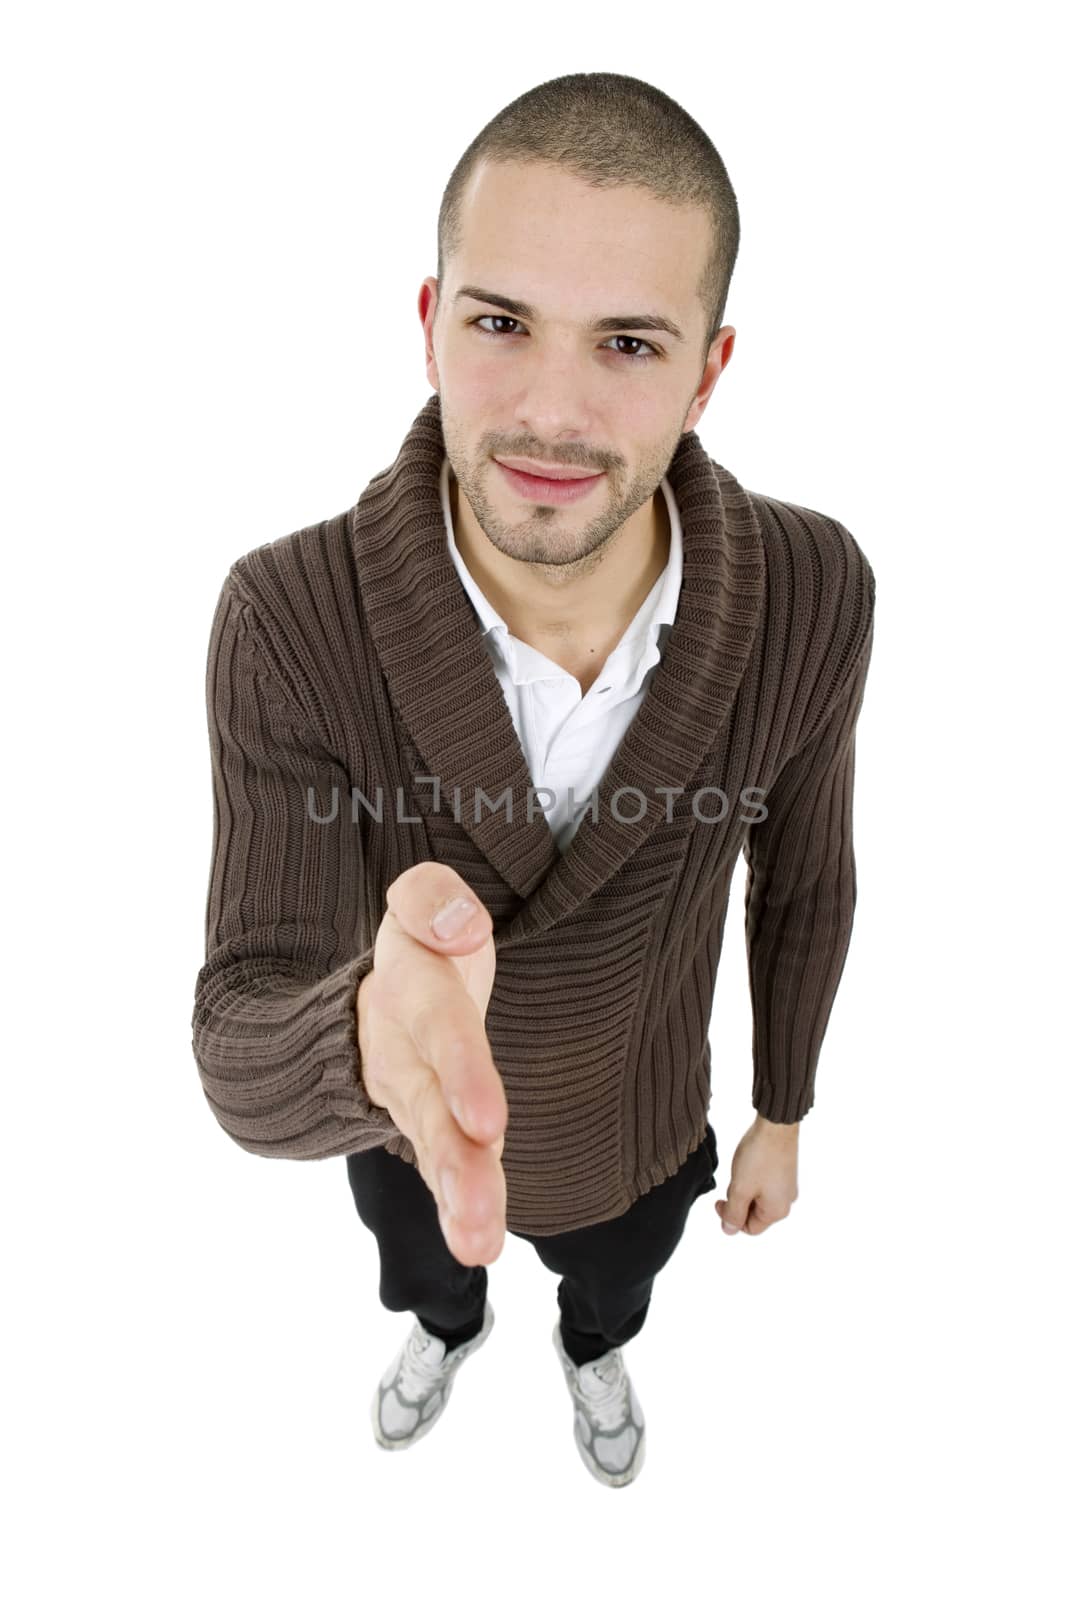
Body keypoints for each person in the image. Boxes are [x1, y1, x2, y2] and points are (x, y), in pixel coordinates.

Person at [191, 72, 876, 1490]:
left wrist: (786, 1105)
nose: (551, 412)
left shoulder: (815, 587)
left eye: (629, 342)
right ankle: (447, 1335)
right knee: (432, 1280)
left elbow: (803, 872)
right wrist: (371, 1039)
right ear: (433, 328)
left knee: (614, 1290)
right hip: (403, 1136)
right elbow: (239, 1041)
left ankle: (590, 1352)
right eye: (503, 324)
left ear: (708, 371)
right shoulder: (290, 614)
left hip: (642, 1134)